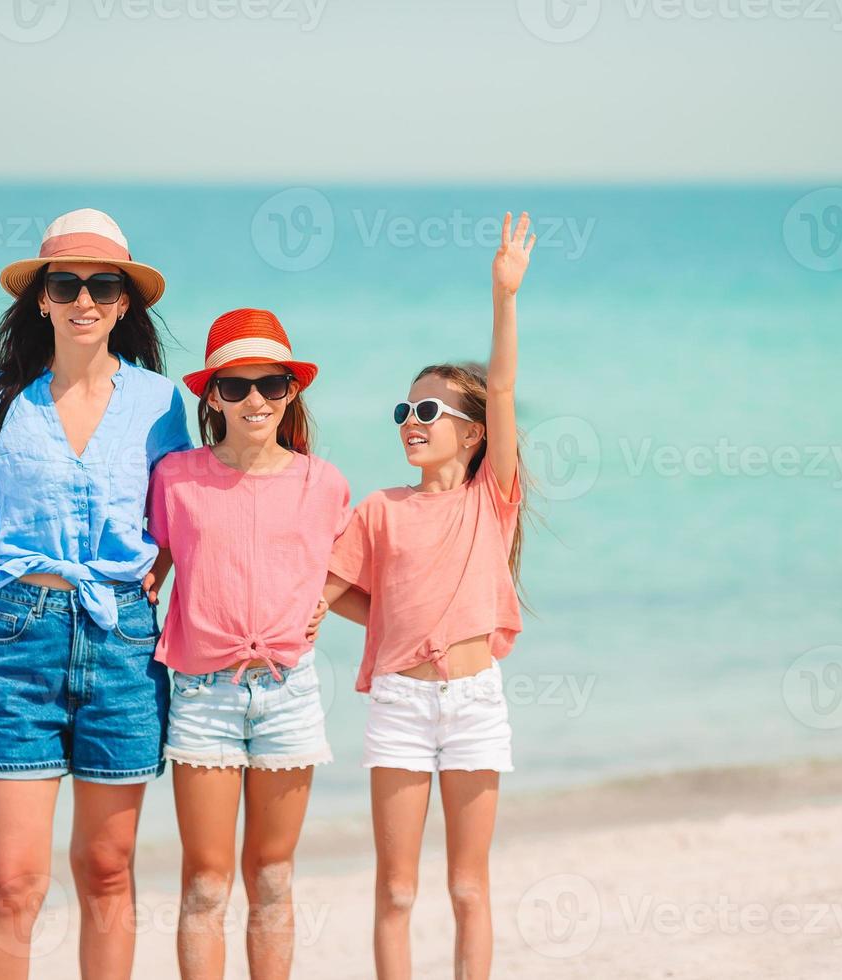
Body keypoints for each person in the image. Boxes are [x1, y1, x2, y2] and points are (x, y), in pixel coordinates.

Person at [0, 208, 191, 979]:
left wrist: (170, 570)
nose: (85, 298)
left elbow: (189, 509)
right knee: (14, 882)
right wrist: (16, 559)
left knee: (108, 873)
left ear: (124, 303)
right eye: (67, 283)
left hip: (123, 644)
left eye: (103, 284)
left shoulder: (161, 403)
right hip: (21, 641)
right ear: (41, 298)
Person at [324, 212, 536, 979]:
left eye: (428, 412)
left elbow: (503, 384)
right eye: (404, 412)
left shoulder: (493, 498)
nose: (411, 423)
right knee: (398, 889)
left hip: (476, 703)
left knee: (468, 886)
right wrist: (387, 622)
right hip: (400, 708)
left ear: (472, 433)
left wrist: (503, 296)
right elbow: (328, 594)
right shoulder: (379, 509)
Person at [144, 308, 362, 979]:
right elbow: (148, 568)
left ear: (292, 390)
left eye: (270, 384)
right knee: (207, 883)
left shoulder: (321, 482)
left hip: (289, 695)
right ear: (210, 395)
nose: (254, 400)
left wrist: (326, 602)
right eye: (235, 387)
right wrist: (20, 583)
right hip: (203, 696)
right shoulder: (176, 478)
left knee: (271, 876)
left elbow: (352, 571)